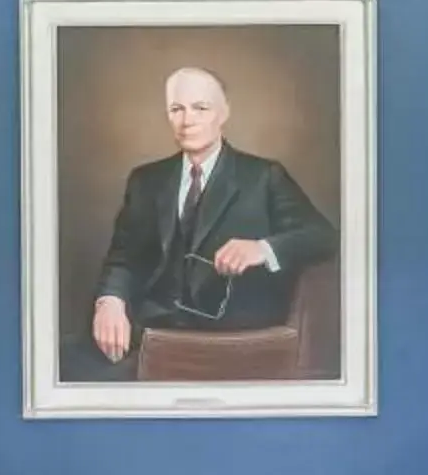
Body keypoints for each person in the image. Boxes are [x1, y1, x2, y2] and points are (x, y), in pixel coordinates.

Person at [91, 67, 335, 362]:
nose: (186, 120)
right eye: (176, 109)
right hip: (148, 333)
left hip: (237, 339)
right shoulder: (146, 180)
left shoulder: (263, 176)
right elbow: (123, 257)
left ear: (223, 113)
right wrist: (110, 302)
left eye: (200, 108)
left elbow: (322, 237)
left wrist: (262, 248)